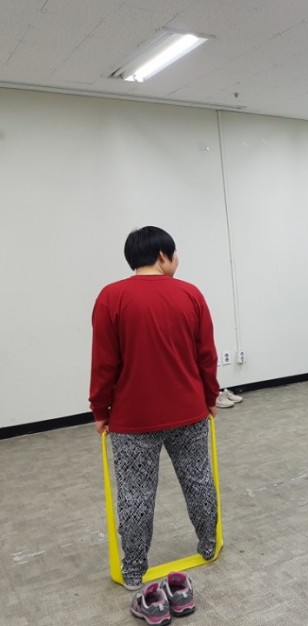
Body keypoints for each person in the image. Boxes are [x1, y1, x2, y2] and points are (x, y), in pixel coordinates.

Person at [89, 226, 220, 590]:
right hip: (189, 412)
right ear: (163, 255)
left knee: (135, 494)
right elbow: (206, 356)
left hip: (133, 419)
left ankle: (133, 570)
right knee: (198, 480)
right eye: (174, 254)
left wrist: (99, 410)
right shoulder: (190, 294)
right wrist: (210, 398)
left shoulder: (111, 297)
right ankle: (208, 544)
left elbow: (104, 363)